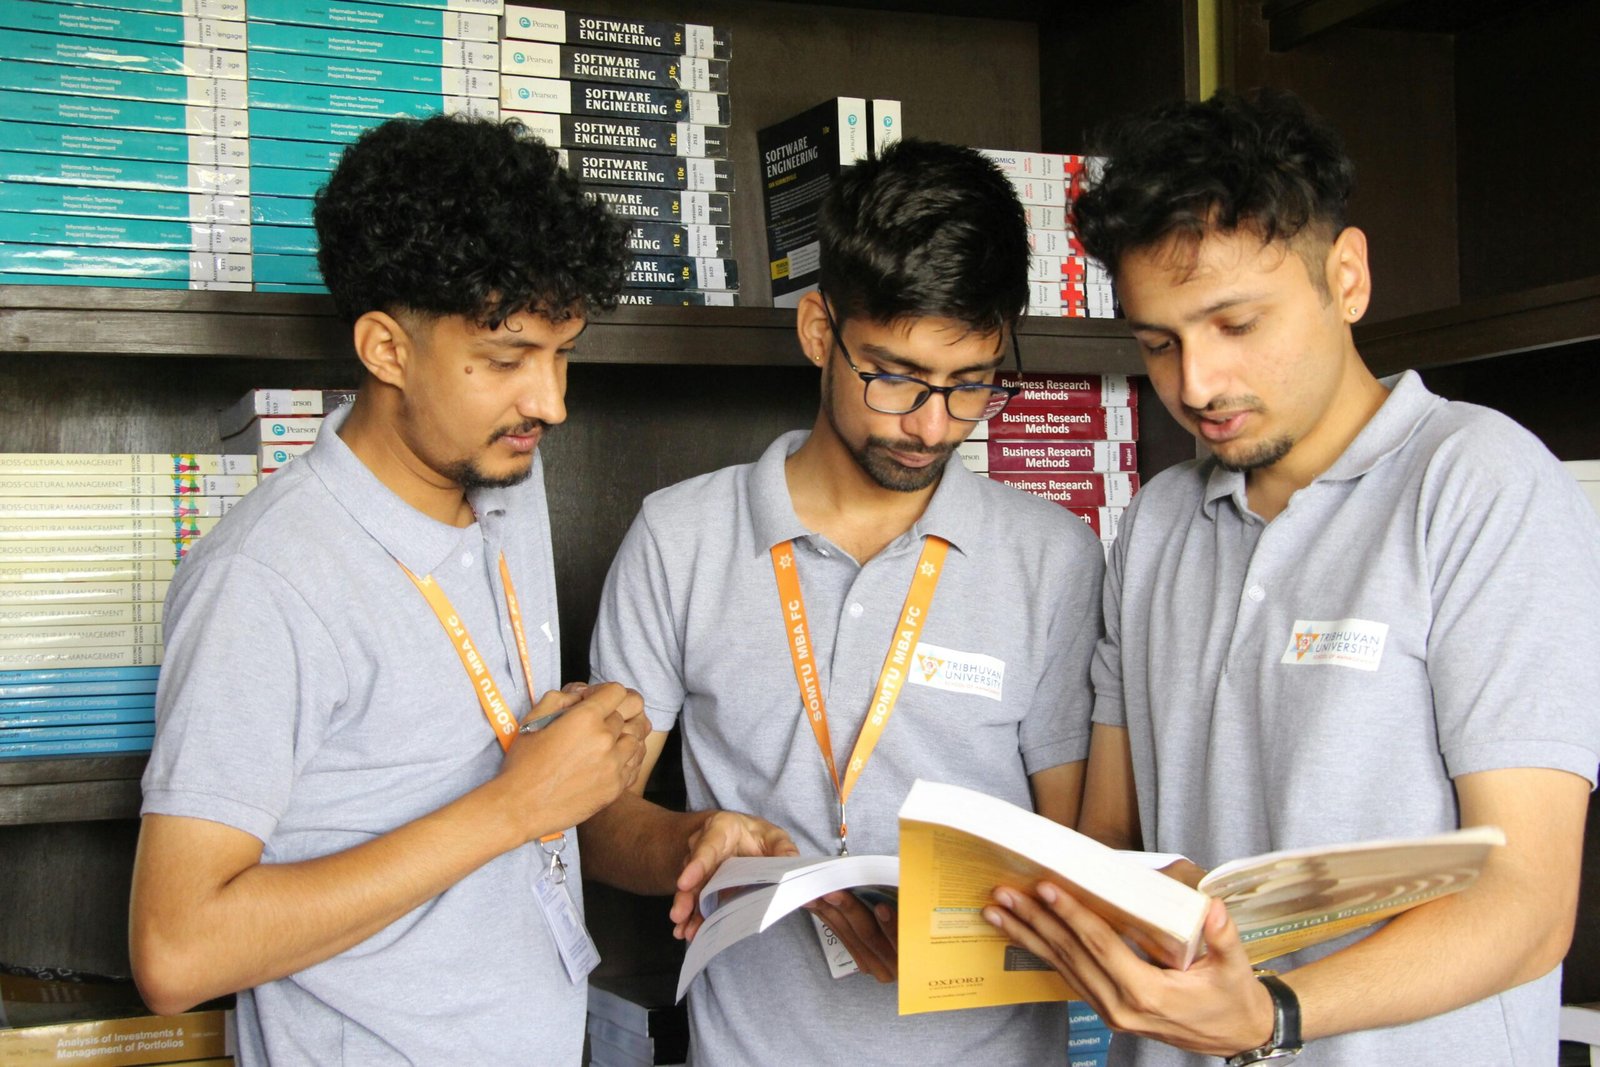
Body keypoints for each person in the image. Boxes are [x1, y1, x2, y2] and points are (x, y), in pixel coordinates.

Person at [982, 88, 1600, 1066]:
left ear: (1345, 277)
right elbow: (1112, 834)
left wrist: (1268, 1009)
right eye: (1157, 343)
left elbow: (1526, 905)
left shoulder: (1482, 484)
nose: (1194, 384)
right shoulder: (1154, 523)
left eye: (1235, 322)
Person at [128, 115, 654, 1064]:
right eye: (506, 360)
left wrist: (562, 742)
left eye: (563, 353)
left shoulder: (505, 480)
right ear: (385, 349)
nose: (551, 401)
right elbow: (176, 949)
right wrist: (513, 805)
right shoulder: (264, 581)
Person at [580, 137, 1106, 1064]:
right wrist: (695, 840)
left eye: (971, 383)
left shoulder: (1054, 557)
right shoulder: (679, 537)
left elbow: (1079, 848)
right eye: (895, 376)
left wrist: (984, 920)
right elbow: (593, 821)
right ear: (820, 330)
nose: (932, 425)